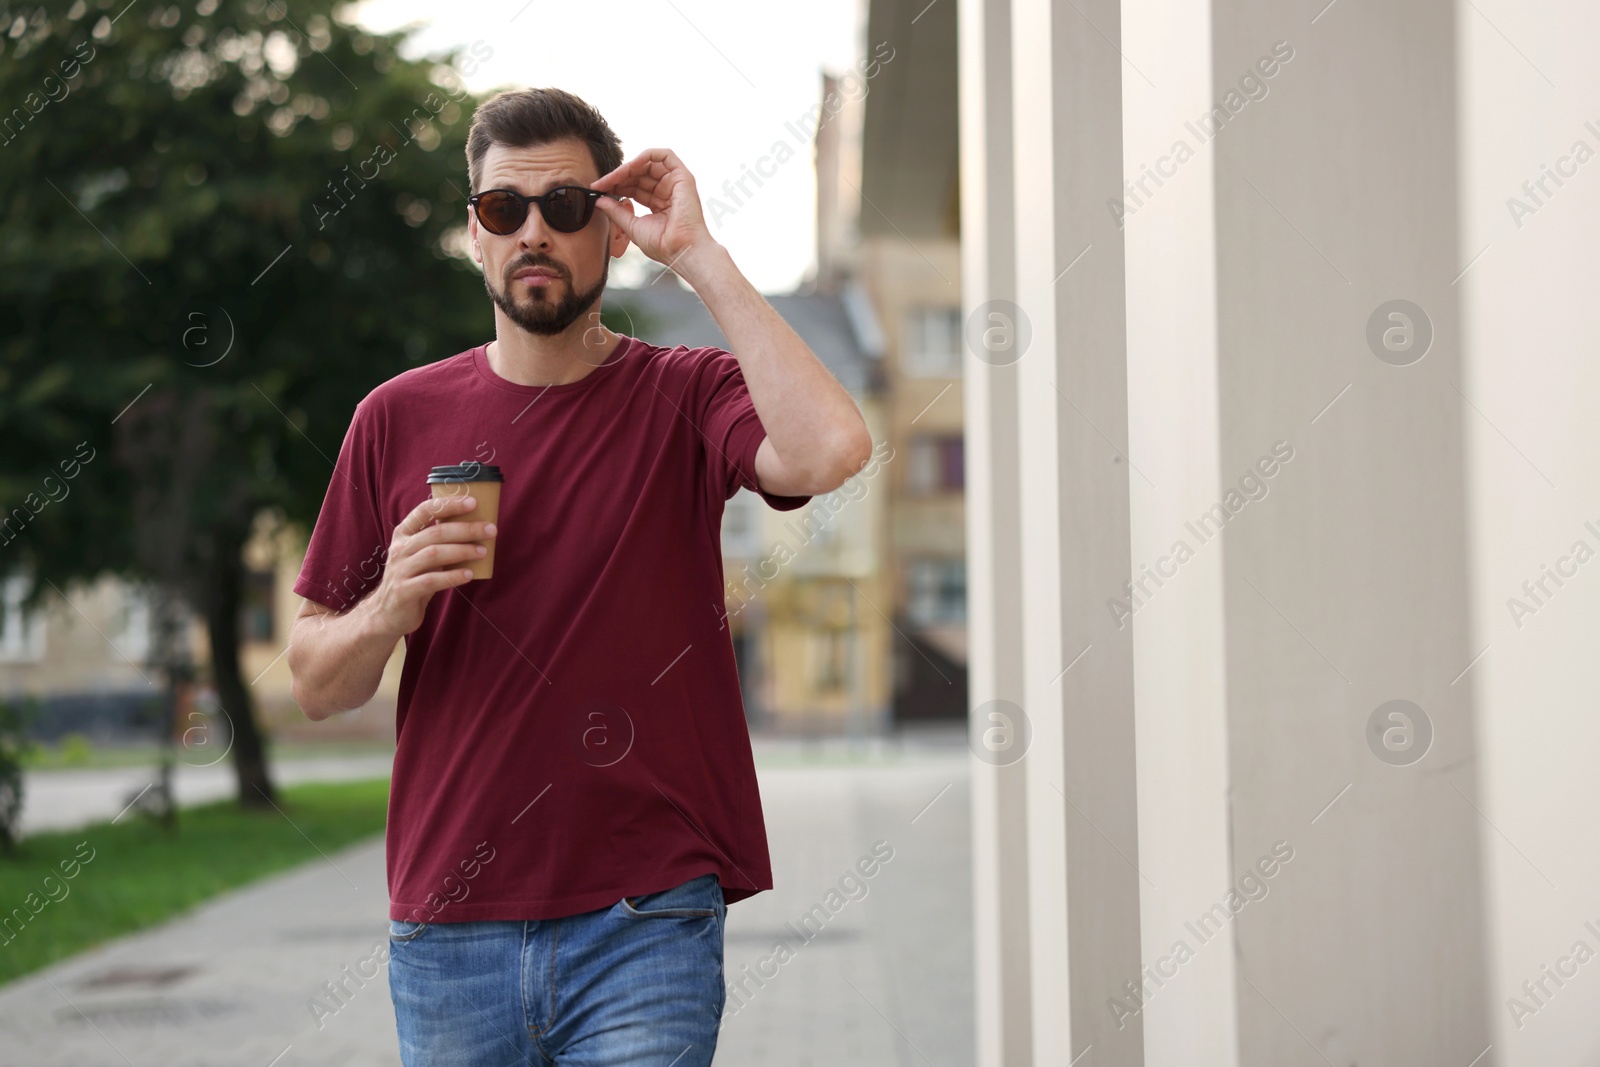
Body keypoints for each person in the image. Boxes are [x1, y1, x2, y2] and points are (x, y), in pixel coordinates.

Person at [285, 87, 872, 1066]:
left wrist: (698, 256)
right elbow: (314, 681)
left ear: (612, 233)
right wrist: (391, 602)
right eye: (500, 210)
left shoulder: (685, 394)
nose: (531, 232)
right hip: (450, 921)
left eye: (565, 208)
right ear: (473, 234)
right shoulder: (392, 418)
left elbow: (829, 451)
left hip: (644, 916)